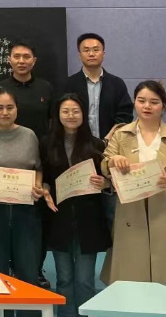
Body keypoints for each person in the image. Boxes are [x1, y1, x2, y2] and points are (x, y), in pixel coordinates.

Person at [100, 80, 166, 298]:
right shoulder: (120, 135)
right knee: (131, 284)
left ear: (163, 106)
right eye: (141, 101)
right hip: (131, 213)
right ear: (134, 103)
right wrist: (113, 161)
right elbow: (105, 166)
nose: (147, 106)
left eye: (154, 102)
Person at [0, 87, 43, 317]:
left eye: (10, 107)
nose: (5, 112)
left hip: (26, 212)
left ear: (17, 110)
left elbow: (38, 168)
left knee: (28, 270)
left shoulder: (29, 135)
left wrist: (37, 186)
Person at [40, 94, 111, 317]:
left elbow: (109, 180)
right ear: (57, 115)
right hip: (58, 218)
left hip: (88, 220)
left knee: (85, 280)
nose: (71, 115)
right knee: (64, 279)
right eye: (65, 111)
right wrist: (44, 189)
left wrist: (105, 183)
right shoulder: (46, 144)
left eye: (76, 111)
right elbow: (43, 176)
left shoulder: (97, 145)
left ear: (83, 114)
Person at [0, 41, 53, 288]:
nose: (21, 61)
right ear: (9, 60)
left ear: (34, 61)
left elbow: (52, 122)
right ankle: (8, 268)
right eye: (16, 56)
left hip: (35, 159)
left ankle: (34, 269)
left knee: (36, 218)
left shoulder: (46, 87)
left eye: (26, 56)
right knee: (5, 220)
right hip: (2, 158)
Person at [64, 33, 133, 236]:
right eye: (86, 50)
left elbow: (125, 116)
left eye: (96, 49)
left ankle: (115, 255)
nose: (91, 53)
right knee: (81, 216)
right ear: (79, 55)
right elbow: (63, 115)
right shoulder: (69, 84)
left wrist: (109, 138)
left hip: (110, 153)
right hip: (77, 154)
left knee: (112, 213)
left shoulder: (117, 84)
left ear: (103, 53)